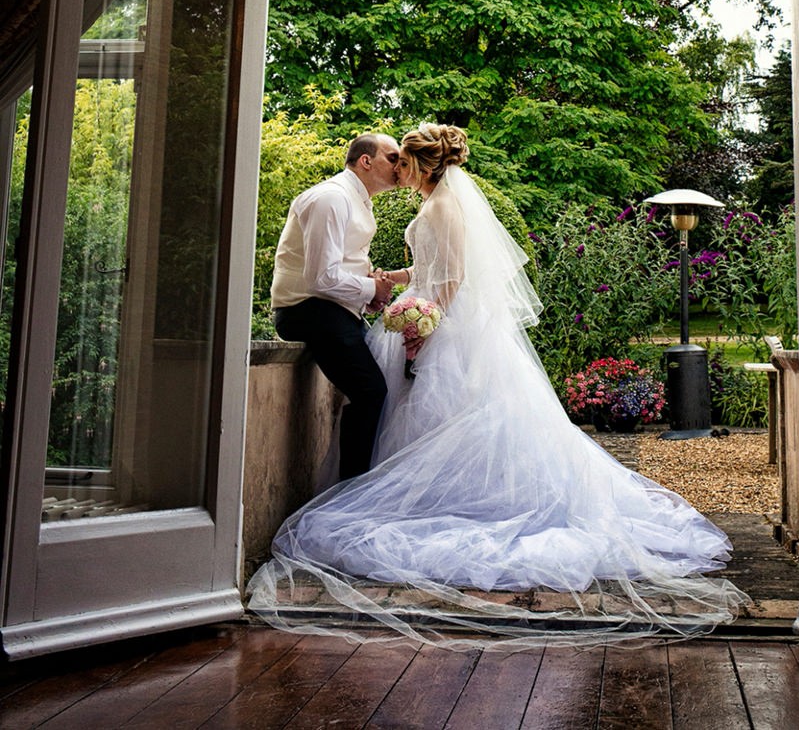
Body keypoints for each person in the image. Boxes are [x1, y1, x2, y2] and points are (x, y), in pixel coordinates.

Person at [250, 124, 746, 644]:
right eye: (392, 159)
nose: (397, 169)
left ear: (419, 165)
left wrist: (424, 322)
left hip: (444, 324)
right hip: (423, 313)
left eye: (403, 161)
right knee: (423, 412)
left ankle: (429, 503)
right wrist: (393, 287)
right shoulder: (422, 201)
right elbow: (426, 269)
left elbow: (449, 278)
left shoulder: (441, 206)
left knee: (442, 413)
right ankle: (408, 497)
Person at [270, 131, 409, 480]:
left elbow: (342, 267)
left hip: (332, 310)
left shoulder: (358, 200)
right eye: (393, 157)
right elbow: (321, 278)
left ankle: (357, 484)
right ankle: (350, 490)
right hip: (307, 309)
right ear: (366, 161)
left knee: (380, 388)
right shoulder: (331, 198)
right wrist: (370, 287)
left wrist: (372, 294)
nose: (400, 164)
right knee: (371, 391)